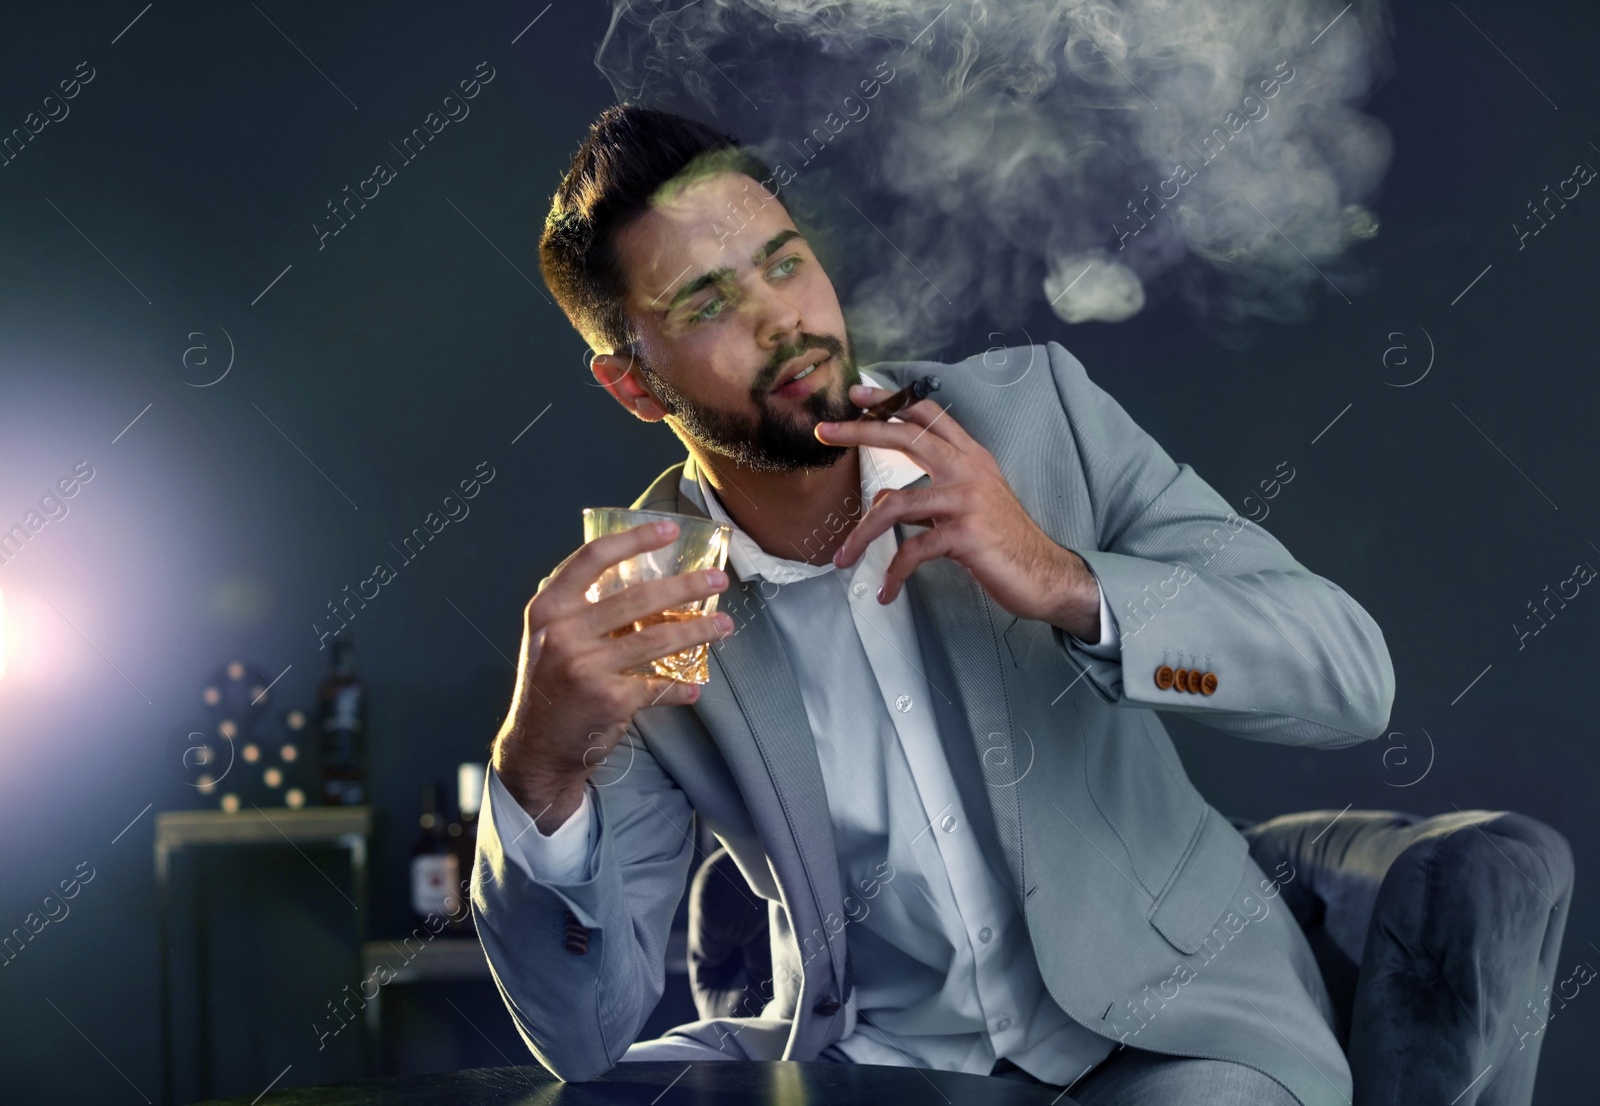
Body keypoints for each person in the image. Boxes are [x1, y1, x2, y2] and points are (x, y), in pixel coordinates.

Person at [473, 102, 1395, 1106]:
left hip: (1176, 1039)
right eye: (705, 305)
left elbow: (1348, 679)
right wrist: (536, 766)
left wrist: (1065, 581)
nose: (781, 318)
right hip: (878, 1068)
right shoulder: (647, 607)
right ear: (634, 387)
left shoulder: (1038, 421)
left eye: (785, 262)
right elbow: (584, 1033)